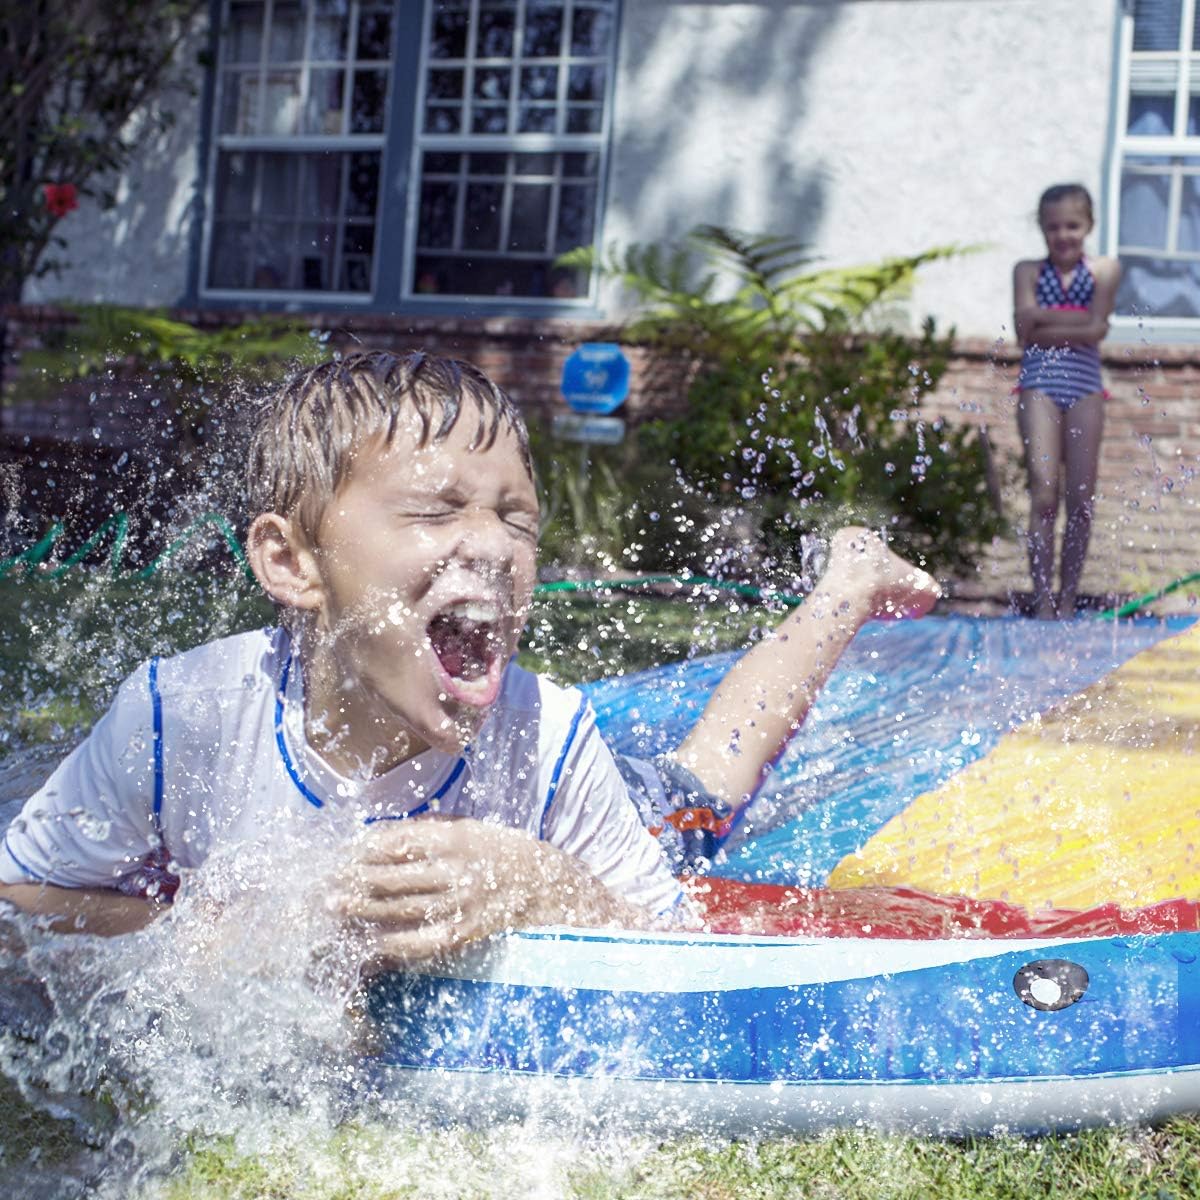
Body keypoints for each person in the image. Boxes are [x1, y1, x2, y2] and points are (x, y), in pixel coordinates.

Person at [0, 351, 938, 968]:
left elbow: (679, 952)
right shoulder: (183, 714)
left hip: (595, 815)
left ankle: (844, 586)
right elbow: (19, 900)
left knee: (703, 790)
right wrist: (202, 932)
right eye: (436, 509)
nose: (492, 545)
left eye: (516, 515)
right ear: (292, 563)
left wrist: (548, 887)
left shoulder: (551, 737)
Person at [1012, 183, 1120, 619]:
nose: (1063, 235)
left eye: (1072, 226)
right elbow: (1023, 329)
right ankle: (1042, 599)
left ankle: (1069, 597)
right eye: (1054, 227)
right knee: (1043, 494)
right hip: (1037, 385)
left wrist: (1044, 321)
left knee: (1081, 499)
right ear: (1041, 228)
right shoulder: (1026, 271)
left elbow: (1098, 330)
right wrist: (1080, 323)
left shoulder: (1105, 270)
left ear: (1089, 225)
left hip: (1086, 388)